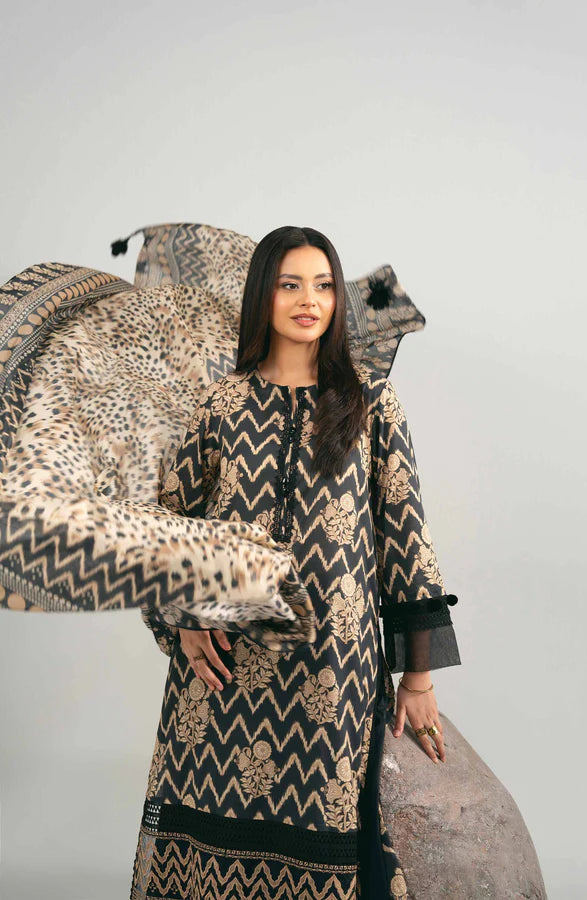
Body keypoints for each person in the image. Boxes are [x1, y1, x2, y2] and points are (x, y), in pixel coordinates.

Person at [130, 225, 461, 900]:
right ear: (263, 296)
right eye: (289, 284)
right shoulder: (219, 404)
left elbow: (406, 539)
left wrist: (418, 677)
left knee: (334, 842)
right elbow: (165, 526)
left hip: (330, 675)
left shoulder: (370, 401)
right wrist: (185, 619)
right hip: (222, 671)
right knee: (209, 842)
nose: (309, 299)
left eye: (323, 285)